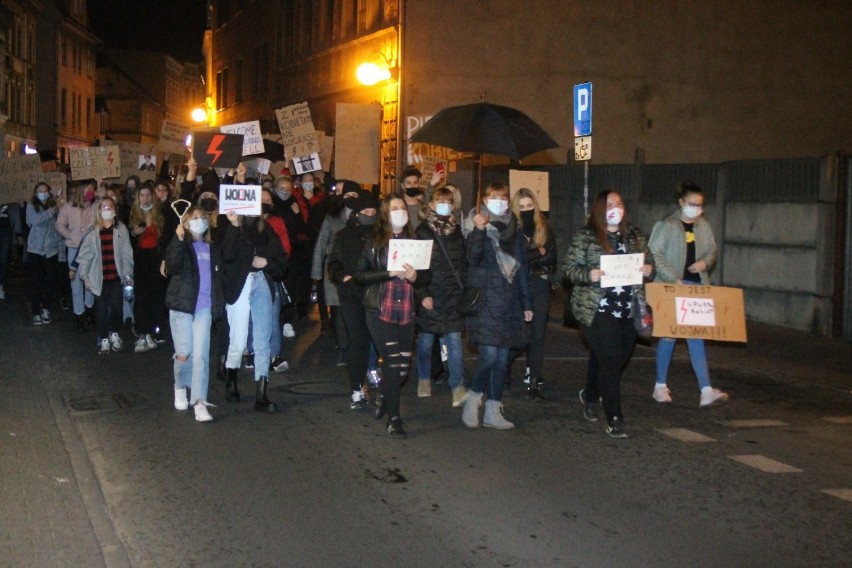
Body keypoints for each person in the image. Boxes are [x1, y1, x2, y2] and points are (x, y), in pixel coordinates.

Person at [562, 190, 654, 438]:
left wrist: (648, 269)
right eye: (610, 204)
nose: (615, 208)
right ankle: (615, 417)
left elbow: (650, 265)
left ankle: (591, 394)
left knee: (615, 357)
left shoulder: (634, 236)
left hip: (627, 309)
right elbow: (569, 269)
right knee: (611, 360)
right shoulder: (587, 237)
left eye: (619, 204)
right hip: (598, 309)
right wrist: (588, 274)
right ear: (600, 209)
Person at [354, 194, 430, 438]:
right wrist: (388, 273)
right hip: (380, 311)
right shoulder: (374, 241)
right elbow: (360, 275)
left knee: (401, 371)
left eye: (403, 207)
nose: (400, 211)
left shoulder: (415, 240)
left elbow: (426, 277)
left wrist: (416, 278)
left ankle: (385, 394)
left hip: (406, 313)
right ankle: (394, 418)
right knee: (392, 361)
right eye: (394, 208)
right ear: (386, 213)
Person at [648, 181, 729, 408]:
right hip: (671, 288)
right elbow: (654, 253)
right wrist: (674, 277)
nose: (697, 209)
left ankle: (705, 389)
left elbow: (712, 250)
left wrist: (704, 263)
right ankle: (660, 386)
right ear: (681, 202)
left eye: (700, 205)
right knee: (669, 335)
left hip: (695, 287)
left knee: (696, 336)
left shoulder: (703, 226)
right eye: (692, 204)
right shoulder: (667, 225)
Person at [461, 182, 533, 430]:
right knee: (489, 355)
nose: (499, 201)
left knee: (502, 358)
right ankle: (473, 399)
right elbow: (472, 257)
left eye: (503, 197)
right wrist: (480, 231)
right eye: (493, 197)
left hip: (509, 304)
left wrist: (527, 302)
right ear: (485, 201)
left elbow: (521, 270)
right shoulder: (476, 226)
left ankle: (494, 409)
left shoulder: (514, 231)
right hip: (485, 301)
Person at [220, 204, 288, 412]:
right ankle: (231, 377)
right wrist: (233, 226)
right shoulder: (234, 228)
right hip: (240, 284)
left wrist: (266, 262)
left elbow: (281, 260)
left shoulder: (266, 229)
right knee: (239, 340)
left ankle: (261, 394)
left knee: (262, 338)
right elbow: (227, 255)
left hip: (261, 282)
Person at [164, 206, 224, 422]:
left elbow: (218, 279)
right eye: (194, 218)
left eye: (202, 217)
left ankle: (199, 402)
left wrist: (218, 305)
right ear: (186, 223)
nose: (200, 221)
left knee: (201, 356)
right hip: (182, 307)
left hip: (204, 309)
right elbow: (172, 265)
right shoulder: (182, 244)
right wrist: (178, 240)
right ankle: (180, 386)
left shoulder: (212, 249)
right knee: (184, 353)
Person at [414, 186, 469, 406]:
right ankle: (424, 379)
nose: (445, 205)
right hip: (432, 294)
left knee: (454, 340)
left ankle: (457, 387)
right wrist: (422, 293)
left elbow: (463, 264)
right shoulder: (422, 232)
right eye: (440, 201)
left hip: (453, 295)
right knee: (426, 340)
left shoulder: (457, 232)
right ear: (431, 205)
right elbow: (416, 267)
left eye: (449, 202)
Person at [327, 188, 380, 411]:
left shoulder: (381, 234)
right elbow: (334, 263)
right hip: (352, 294)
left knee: (378, 339)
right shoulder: (343, 235)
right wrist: (342, 277)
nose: (369, 214)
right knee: (358, 340)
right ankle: (357, 388)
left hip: (377, 293)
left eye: (372, 210)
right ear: (356, 213)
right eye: (364, 210)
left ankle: (375, 375)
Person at [509, 188, 557, 399]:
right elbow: (513, 258)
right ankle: (505, 367)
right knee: (519, 334)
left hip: (539, 282)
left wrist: (532, 256)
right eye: (522, 207)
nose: (526, 210)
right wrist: (538, 252)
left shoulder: (543, 226)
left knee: (537, 334)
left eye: (530, 206)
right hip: (518, 284)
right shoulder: (511, 227)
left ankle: (534, 380)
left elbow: (552, 256)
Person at [74, 197, 134, 354]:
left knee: (116, 307)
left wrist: (128, 274)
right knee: (101, 310)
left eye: (110, 207)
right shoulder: (93, 230)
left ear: (115, 210)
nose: (107, 210)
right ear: (99, 210)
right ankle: (103, 338)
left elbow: (127, 254)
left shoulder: (120, 229)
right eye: (104, 207)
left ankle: (114, 333)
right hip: (98, 277)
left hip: (115, 277)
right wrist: (85, 276)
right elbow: (85, 254)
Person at [311, 180, 350, 364]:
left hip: (354, 268)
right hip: (334, 269)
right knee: (339, 310)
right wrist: (316, 272)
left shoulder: (360, 214)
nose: (340, 195)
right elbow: (321, 242)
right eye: (338, 191)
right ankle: (343, 348)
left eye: (344, 191)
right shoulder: (331, 216)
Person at [128, 183, 168, 352]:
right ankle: (143, 331)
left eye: (148, 195)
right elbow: (128, 239)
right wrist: (134, 233)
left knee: (156, 295)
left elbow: (166, 237)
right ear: (138, 198)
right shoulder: (133, 213)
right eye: (142, 195)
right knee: (142, 296)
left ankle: (154, 330)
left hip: (156, 258)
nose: (145, 198)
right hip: (141, 258)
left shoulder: (159, 213)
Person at [56, 180, 97, 329]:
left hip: (92, 249)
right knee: (76, 283)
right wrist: (70, 235)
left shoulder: (95, 206)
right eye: (88, 188)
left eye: (93, 188)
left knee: (90, 280)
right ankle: (79, 314)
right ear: (81, 189)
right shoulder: (68, 206)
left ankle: (89, 309)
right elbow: (59, 224)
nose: (91, 190)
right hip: (74, 248)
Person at [26, 182, 64, 325]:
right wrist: (51, 211)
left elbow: (61, 224)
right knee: (36, 281)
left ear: (49, 192)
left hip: (51, 249)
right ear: (35, 193)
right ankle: (36, 310)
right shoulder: (31, 206)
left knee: (52, 279)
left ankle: (45, 306)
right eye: (39, 191)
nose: (42, 193)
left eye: (45, 191)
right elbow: (34, 220)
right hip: (35, 249)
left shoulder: (56, 207)